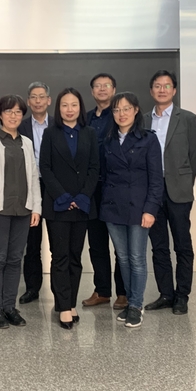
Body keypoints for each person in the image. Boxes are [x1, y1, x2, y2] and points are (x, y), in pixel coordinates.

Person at [0, 95, 41, 329]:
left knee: (15, 260)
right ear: (0, 114)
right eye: (8, 111)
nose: (13, 116)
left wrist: (36, 207)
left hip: (23, 209)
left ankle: (9, 307)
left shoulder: (27, 142)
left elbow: (33, 177)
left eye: (18, 112)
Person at [100, 92, 163, 328]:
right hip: (113, 207)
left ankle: (136, 305)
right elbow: (104, 176)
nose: (121, 114)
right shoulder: (108, 141)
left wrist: (150, 209)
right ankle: (129, 301)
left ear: (136, 110)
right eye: (117, 110)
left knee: (137, 258)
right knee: (123, 258)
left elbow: (156, 180)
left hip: (139, 207)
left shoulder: (148, 139)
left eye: (126, 109)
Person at [40, 88, 99, 329]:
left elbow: (94, 168)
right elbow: (45, 168)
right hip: (58, 205)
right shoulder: (50, 133)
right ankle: (63, 306)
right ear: (58, 108)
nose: (69, 109)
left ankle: (71, 302)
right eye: (65, 105)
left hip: (82, 205)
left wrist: (82, 196)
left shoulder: (90, 133)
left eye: (74, 104)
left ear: (80, 107)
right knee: (60, 256)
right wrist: (64, 196)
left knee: (75, 256)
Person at [143, 70, 196, 315]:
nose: (162, 90)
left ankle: (182, 295)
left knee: (182, 245)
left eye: (167, 86)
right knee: (158, 246)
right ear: (151, 90)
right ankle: (166, 294)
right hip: (152, 192)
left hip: (178, 190)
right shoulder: (143, 120)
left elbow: (195, 154)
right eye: (157, 85)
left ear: (174, 90)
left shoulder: (187, 118)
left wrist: (187, 182)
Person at [81, 73, 127, 310]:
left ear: (114, 89)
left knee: (120, 244)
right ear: (92, 91)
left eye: (106, 85)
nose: (102, 89)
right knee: (96, 243)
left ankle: (123, 292)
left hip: (115, 187)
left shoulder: (120, 116)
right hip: (92, 188)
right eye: (97, 86)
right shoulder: (86, 118)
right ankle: (102, 290)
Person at [17, 82, 53, 304]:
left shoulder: (59, 125)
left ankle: (60, 288)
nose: (38, 101)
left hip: (54, 187)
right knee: (31, 242)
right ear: (28, 102)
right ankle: (32, 288)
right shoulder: (19, 127)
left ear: (49, 100)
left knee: (58, 242)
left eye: (42, 96)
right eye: (33, 97)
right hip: (29, 187)